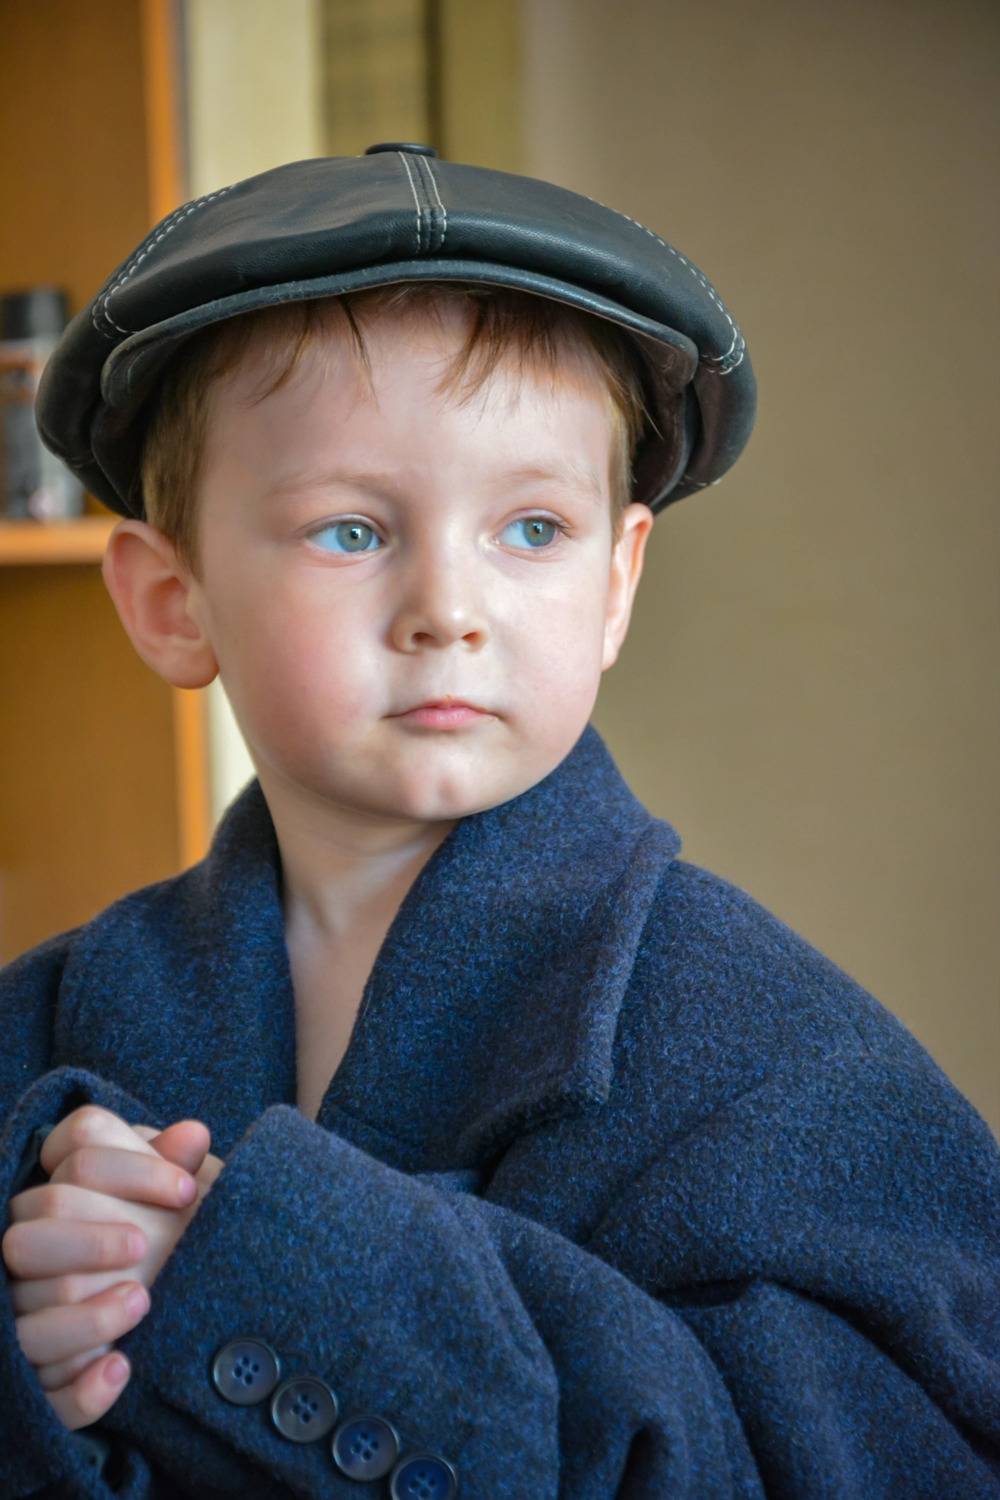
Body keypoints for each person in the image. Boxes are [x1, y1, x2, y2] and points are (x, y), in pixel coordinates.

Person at [1, 145, 997, 1499]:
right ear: (173, 603)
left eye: (531, 529)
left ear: (616, 583)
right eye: (352, 531)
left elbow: (891, 1457)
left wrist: (268, 1278)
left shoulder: (784, 1060)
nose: (449, 610)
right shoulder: (41, 1032)